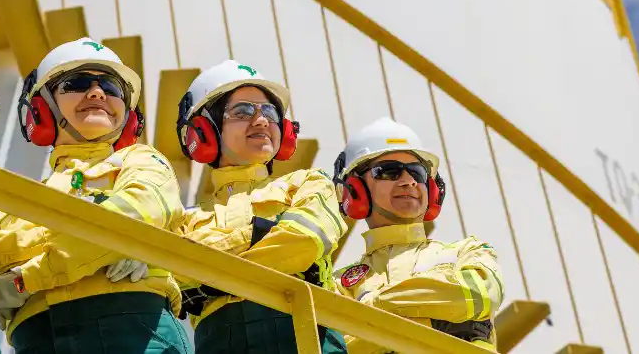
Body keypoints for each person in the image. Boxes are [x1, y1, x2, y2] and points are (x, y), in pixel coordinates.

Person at [0, 38, 191, 354]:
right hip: (39, 337)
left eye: (112, 88)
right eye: (76, 83)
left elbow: (139, 211)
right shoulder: (13, 200)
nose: (97, 93)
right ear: (42, 109)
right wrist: (110, 245)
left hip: (134, 326)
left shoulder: (144, 161)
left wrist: (29, 277)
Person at [175, 61, 348, 354]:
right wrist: (260, 234)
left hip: (308, 336)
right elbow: (172, 272)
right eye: (242, 112)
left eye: (269, 112)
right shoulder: (184, 217)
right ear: (203, 130)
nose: (261, 121)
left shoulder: (309, 183)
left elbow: (304, 242)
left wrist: (208, 266)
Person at [332, 118, 503, 353]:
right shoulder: (338, 284)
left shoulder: (468, 251)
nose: (409, 181)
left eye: (417, 173)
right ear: (355, 189)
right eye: (390, 172)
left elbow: (479, 295)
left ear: (433, 190)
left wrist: (373, 307)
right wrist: (438, 322)